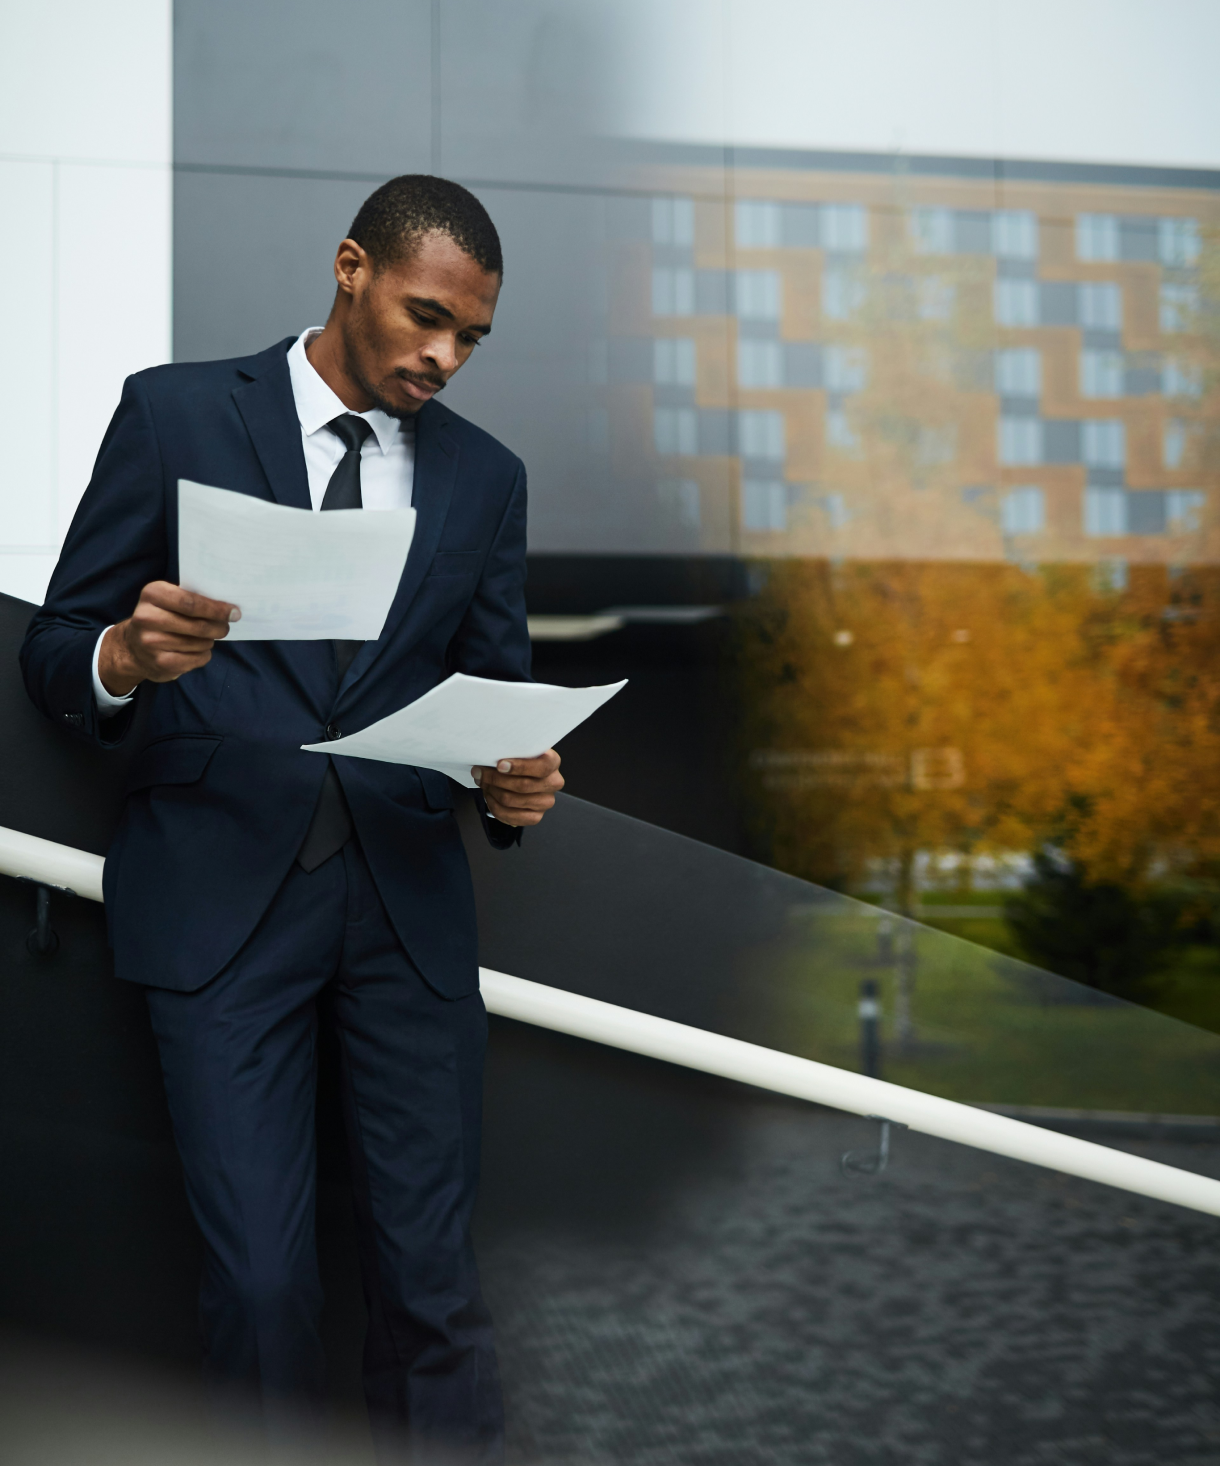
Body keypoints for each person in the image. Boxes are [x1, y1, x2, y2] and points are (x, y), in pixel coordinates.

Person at [20, 175, 561, 1463]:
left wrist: (512, 781)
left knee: (433, 1293)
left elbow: (495, 689)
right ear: (349, 268)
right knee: (261, 1286)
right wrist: (123, 659)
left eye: (472, 338)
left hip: (406, 916)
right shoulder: (177, 411)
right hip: (217, 907)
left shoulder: (486, 479)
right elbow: (52, 650)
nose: (444, 356)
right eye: (428, 317)